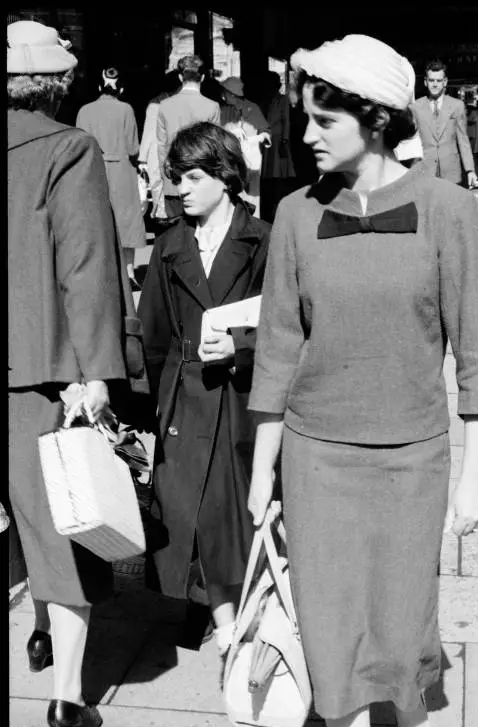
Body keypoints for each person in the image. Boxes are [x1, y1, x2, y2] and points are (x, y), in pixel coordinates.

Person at [247, 33, 478, 727]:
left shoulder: (449, 210)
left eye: (325, 119)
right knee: (330, 632)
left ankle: (414, 699)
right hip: (317, 456)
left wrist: (477, 472)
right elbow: (279, 347)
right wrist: (261, 469)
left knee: (400, 619)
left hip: (413, 455)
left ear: (376, 117)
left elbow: (473, 351)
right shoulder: (293, 215)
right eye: (304, 117)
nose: (307, 134)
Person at [7, 21, 128, 727]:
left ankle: (41, 629)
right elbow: (85, 269)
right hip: (39, 369)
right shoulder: (67, 149)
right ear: (55, 85)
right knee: (58, 528)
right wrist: (93, 371)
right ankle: (65, 700)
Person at [137, 122, 270, 658]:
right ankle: (211, 608)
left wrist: (241, 348)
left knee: (229, 510)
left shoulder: (263, 240)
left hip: (243, 397)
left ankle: (228, 611)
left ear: (224, 176)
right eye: (176, 179)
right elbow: (152, 332)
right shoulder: (170, 244)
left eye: (193, 177)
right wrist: (145, 402)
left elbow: (293, 325)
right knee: (184, 509)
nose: (181, 189)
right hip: (184, 397)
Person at [76, 68, 146, 290]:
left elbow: (79, 144)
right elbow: (133, 146)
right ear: (121, 88)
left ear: (98, 86)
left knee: (96, 218)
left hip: (93, 169)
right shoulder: (126, 109)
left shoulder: (85, 111)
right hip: (122, 169)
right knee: (126, 220)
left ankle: (101, 272)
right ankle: (129, 272)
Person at [156, 55, 221, 219]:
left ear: (180, 77)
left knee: (175, 233)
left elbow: (162, 147)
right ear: (203, 78)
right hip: (202, 179)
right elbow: (215, 148)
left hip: (174, 179)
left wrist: (167, 176)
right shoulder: (212, 107)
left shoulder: (164, 106)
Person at [411, 58, 478, 187]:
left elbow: (463, 140)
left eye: (438, 80)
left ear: (445, 82)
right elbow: (412, 141)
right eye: (431, 80)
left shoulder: (456, 106)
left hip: (451, 172)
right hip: (425, 171)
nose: (435, 84)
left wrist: (470, 170)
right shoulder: (416, 107)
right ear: (425, 82)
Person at [217, 76, 271, 217]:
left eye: (225, 92)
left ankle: (254, 225)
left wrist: (256, 138)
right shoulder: (223, 110)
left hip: (252, 160)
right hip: (232, 161)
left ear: (232, 94)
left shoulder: (252, 108)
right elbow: (217, 133)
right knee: (233, 195)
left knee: (253, 197)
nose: (222, 95)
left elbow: (266, 131)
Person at [138, 70, 181, 225]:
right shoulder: (177, 102)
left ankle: (163, 220)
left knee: (159, 191)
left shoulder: (155, 104)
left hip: (157, 153)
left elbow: (148, 134)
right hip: (175, 151)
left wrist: (142, 158)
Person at [259, 70, 297, 223]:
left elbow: (286, 120)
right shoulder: (263, 100)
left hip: (278, 140)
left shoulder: (282, 100)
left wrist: (285, 141)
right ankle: (269, 204)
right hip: (265, 139)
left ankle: (277, 204)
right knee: (267, 174)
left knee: (278, 174)